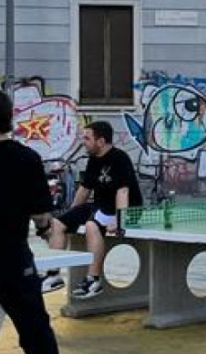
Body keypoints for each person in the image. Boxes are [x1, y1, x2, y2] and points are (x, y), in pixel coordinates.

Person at [0, 89, 68, 354]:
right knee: (36, 332)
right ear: (9, 117)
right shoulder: (27, 158)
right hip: (13, 257)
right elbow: (41, 218)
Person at [50, 119, 139, 298]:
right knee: (57, 223)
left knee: (92, 226)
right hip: (99, 206)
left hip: (124, 209)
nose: (83, 142)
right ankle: (53, 275)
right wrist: (71, 214)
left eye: (87, 138)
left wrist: (120, 220)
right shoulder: (92, 160)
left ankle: (94, 280)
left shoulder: (120, 158)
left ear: (101, 141)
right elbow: (84, 189)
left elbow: (123, 191)